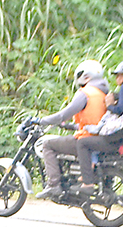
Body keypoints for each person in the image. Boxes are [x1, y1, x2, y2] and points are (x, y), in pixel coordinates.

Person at [31, 59, 110, 200]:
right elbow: (94, 121)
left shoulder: (86, 93)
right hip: (98, 138)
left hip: (85, 138)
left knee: (48, 145)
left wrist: (42, 120)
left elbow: (64, 114)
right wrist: (68, 125)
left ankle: (53, 185)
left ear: (86, 75)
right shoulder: (104, 93)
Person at [75, 60, 123, 195]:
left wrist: (109, 105)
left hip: (119, 136)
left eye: (119, 75)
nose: (116, 78)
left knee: (83, 143)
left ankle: (87, 182)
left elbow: (120, 110)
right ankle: (99, 176)